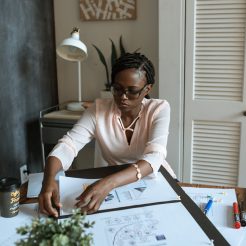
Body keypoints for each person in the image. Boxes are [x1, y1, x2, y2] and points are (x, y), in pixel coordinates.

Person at [38, 52, 176, 217]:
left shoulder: (159, 109)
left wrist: (109, 182)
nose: (123, 97)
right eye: (117, 89)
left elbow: (155, 156)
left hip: (153, 181)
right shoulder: (98, 110)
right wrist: (49, 178)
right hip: (113, 188)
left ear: (147, 88)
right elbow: (69, 144)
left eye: (132, 91)